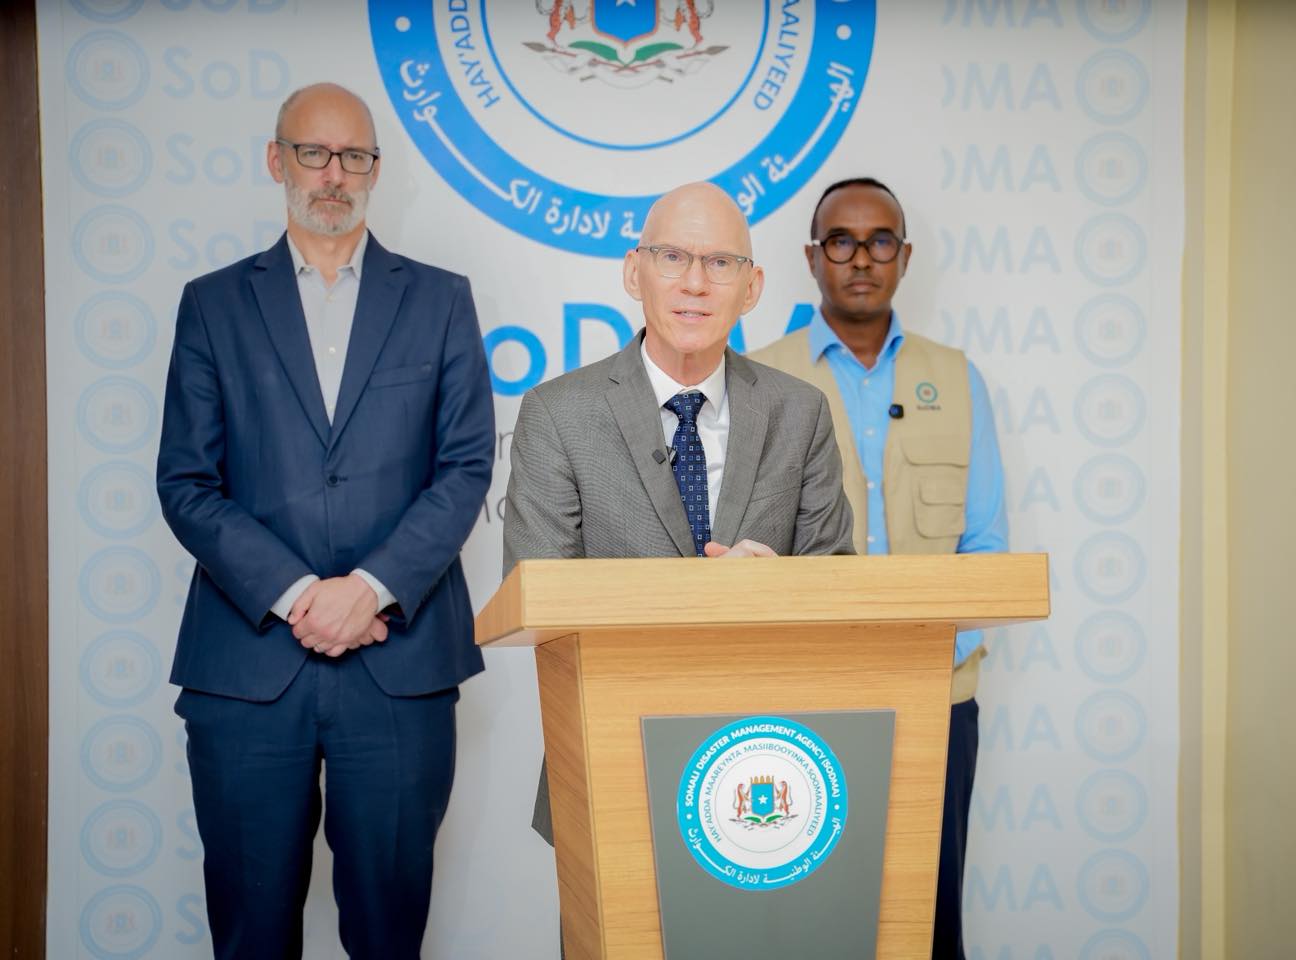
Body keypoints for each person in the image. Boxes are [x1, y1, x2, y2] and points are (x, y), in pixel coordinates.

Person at [156, 82, 495, 960]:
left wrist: (371, 589)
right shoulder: (213, 304)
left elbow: (465, 468)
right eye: (314, 153)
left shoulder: (441, 300)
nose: (334, 175)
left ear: (376, 169)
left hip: (398, 666)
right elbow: (187, 482)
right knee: (251, 934)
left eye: (354, 157)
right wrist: (303, 593)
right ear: (278, 160)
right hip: (247, 665)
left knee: (389, 935)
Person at [503, 181, 855, 849]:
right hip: (610, 755)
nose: (695, 282)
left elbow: (837, 582)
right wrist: (706, 597)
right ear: (634, 272)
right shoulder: (558, 414)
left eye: (720, 263)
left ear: (751, 288)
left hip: (773, 768)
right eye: (672, 257)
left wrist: (776, 589)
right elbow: (538, 598)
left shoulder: (800, 412)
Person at [750, 177, 1008, 960]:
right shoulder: (758, 378)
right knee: (808, 926)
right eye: (841, 241)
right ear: (812, 257)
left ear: (905, 256)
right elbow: (742, 557)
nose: (861, 259)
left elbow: (985, 551)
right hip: (803, 701)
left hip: (937, 697)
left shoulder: (956, 378)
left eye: (880, 241)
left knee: (927, 924)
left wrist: (921, 663)